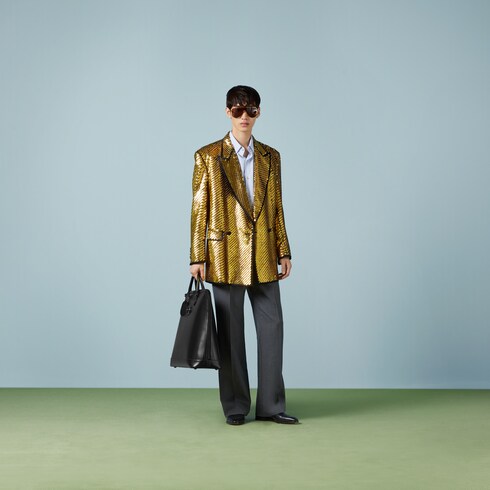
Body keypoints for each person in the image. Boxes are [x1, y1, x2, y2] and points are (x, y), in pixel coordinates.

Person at [189, 85, 298, 426]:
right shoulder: (208, 156)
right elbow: (199, 210)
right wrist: (197, 257)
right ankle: (236, 406)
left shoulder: (271, 156)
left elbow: (277, 207)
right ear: (227, 112)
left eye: (250, 110)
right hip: (224, 254)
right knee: (230, 334)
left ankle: (271, 406)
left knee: (272, 327)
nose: (244, 116)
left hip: (264, 251)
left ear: (258, 113)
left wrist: (284, 250)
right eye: (237, 110)